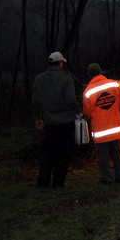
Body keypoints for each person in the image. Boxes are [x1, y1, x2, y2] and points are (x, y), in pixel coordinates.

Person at [32, 51, 80, 189]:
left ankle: (42, 182)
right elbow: (71, 100)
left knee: (48, 153)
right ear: (60, 63)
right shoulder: (65, 79)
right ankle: (58, 183)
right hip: (65, 123)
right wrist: (78, 110)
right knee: (64, 153)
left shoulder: (39, 79)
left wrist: (38, 118)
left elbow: (35, 101)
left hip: (49, 124)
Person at [82, 63, 120, 184]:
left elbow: (87, 112)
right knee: (116, 152)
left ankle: (105, 178)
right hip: (115, 127)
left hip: (100, 129)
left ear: (89, 74)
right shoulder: (113, 84)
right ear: (101, 71)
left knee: (103, 155)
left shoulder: (88, 91)